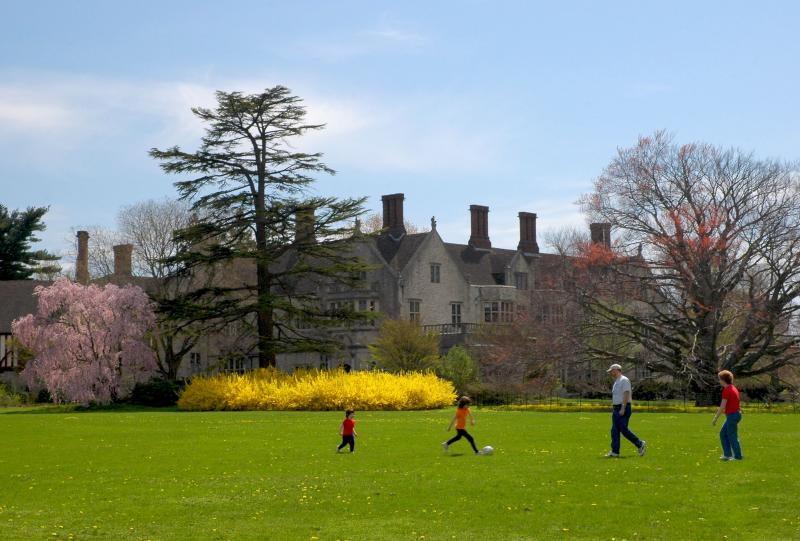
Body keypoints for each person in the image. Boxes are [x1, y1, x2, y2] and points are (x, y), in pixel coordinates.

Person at [605, 364, 647, 457]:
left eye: (611, 371)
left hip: (623, 407)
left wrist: (623, 408)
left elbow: (626, 393)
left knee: (623, 429)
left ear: (616, 370)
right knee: (614, 431)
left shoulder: (624, 380)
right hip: (616, 408)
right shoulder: (617, 381)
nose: (610, 373)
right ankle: (615, 452)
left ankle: (640, 443)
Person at [712, 370, 743, 461]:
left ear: (723, 380)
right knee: (723, 434)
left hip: (732, 415)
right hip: (735, 414)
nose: (719, 381)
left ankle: (738, 456)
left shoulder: (727, 390)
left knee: (732, 435)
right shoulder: (733, 388)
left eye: (720, 379)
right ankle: (727, 455)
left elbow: (722, 406)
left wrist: (715, 418)